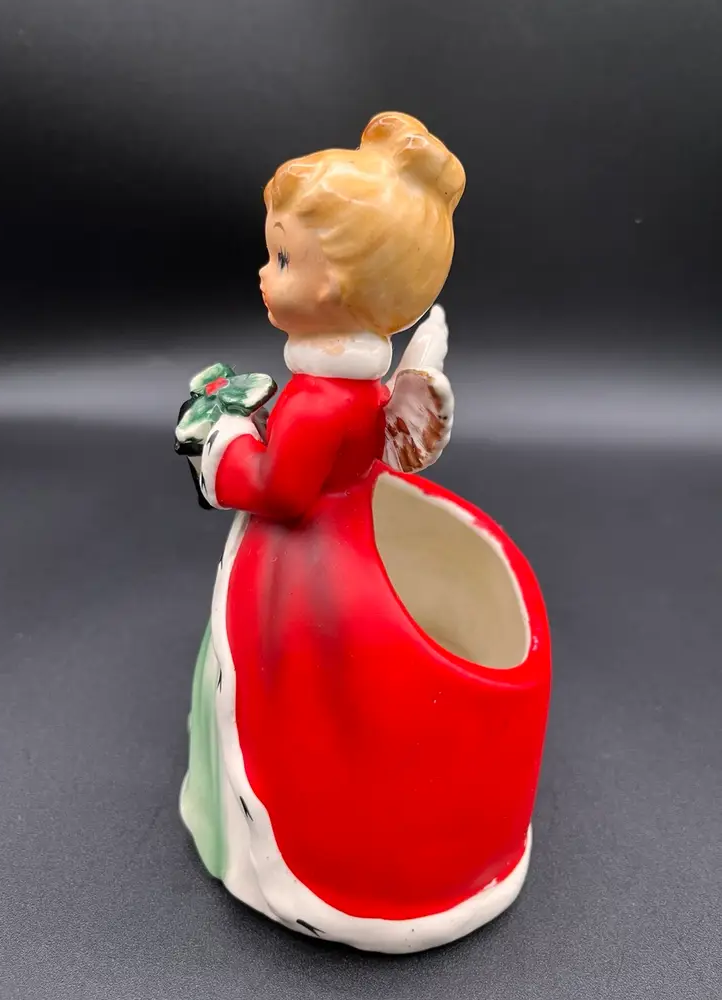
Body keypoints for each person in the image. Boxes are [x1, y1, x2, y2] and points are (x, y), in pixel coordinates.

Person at [176, 112, 550, 953]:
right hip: (342, 529)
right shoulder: (356, 387)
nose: (263, 273)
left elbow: (279, 489)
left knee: (296, 694)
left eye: (282, 260)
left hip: (309, 560)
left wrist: (220, 444)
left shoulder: (317, 401)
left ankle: (325, 854)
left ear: (339, 288)